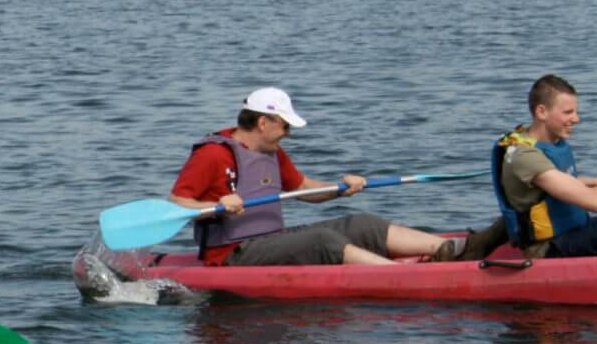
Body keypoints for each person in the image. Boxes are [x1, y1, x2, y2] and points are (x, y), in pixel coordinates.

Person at [169, 87, 497, 267]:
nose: (287, 133)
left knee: (361, 224)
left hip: (268, 240)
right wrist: (217, 206)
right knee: (324, 242)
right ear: (263, 122)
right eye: (284, 125)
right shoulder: (213, 154)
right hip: (231, 254)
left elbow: (303, 189)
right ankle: (396, 276)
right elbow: (177, 202)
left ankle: (452, 250)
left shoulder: (271, 151)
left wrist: (341, 188)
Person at [494, 73, 597, 259]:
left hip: (571, 233)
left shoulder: (551, 144)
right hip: (547, 249)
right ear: (541, 112)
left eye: (575, 112)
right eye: (568, 112)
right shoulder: (525, 156)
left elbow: (571, 186)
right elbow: (591, 201)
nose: (577, 119)